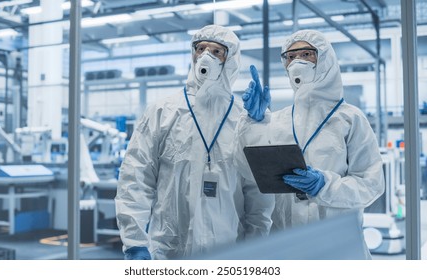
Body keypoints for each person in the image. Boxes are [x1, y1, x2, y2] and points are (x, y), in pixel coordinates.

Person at [115, 25, 274, 260]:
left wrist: (255, 246)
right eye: (200, 49)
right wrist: (135, 242)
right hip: (169, 250)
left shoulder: (242, 118)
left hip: (229, 252)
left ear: (230, 60)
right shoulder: (163, 112)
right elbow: (135, 178)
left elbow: (259, 193)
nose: (206, 56)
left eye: (216, 51)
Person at [235, 29, 385, 259]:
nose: (297, 61)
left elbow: (371, 184)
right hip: (286, 246)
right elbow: (248, 170)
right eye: (291, 56)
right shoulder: (279, 120)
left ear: (324, 59)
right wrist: (253, 123)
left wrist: (324, 185)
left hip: (337, 248)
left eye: (306, 54)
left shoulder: (350, 118)